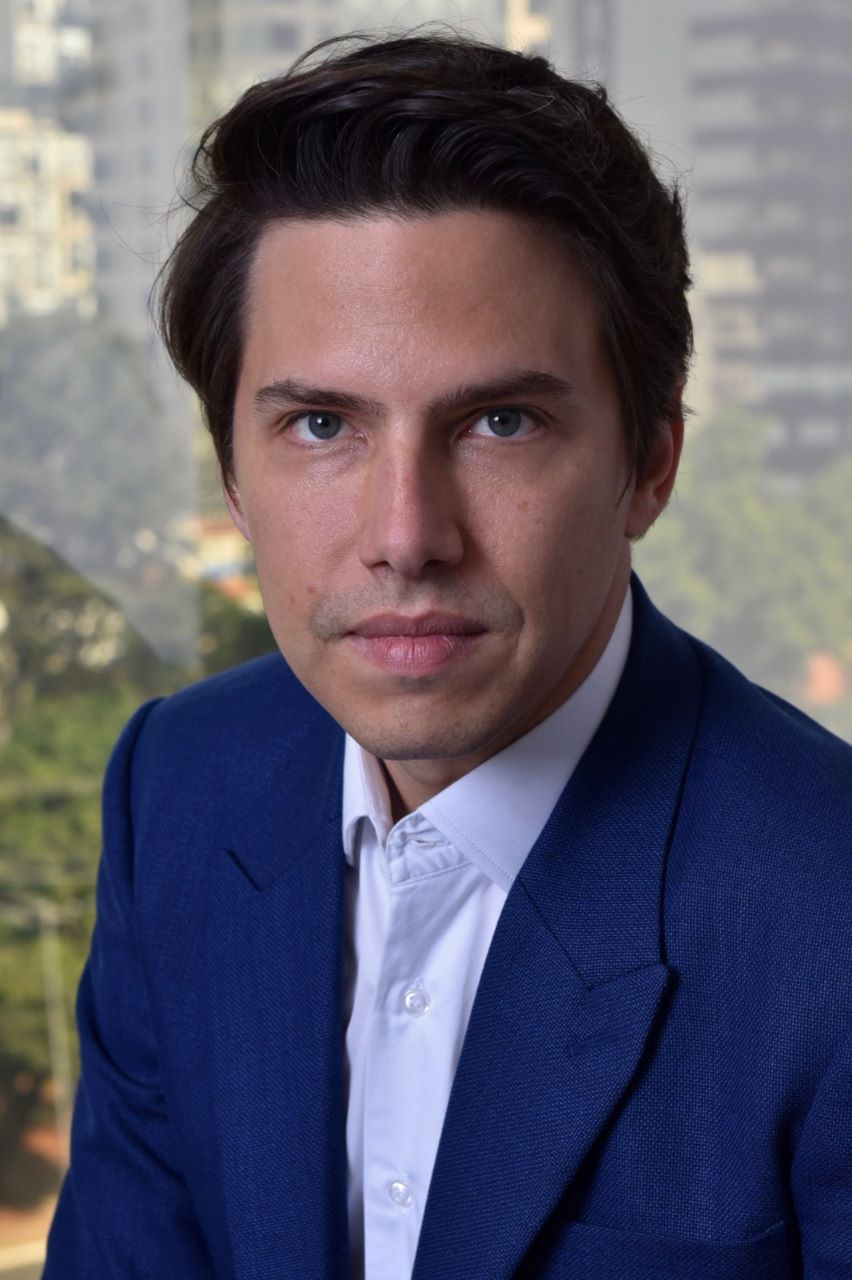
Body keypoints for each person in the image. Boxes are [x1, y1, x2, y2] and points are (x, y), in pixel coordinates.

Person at [45, 31, 851, 1280]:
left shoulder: (826, 907)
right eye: (322, 424)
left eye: (500, 421)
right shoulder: (179, 784)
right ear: (232, 477)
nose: (406, 535)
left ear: (650, 463)